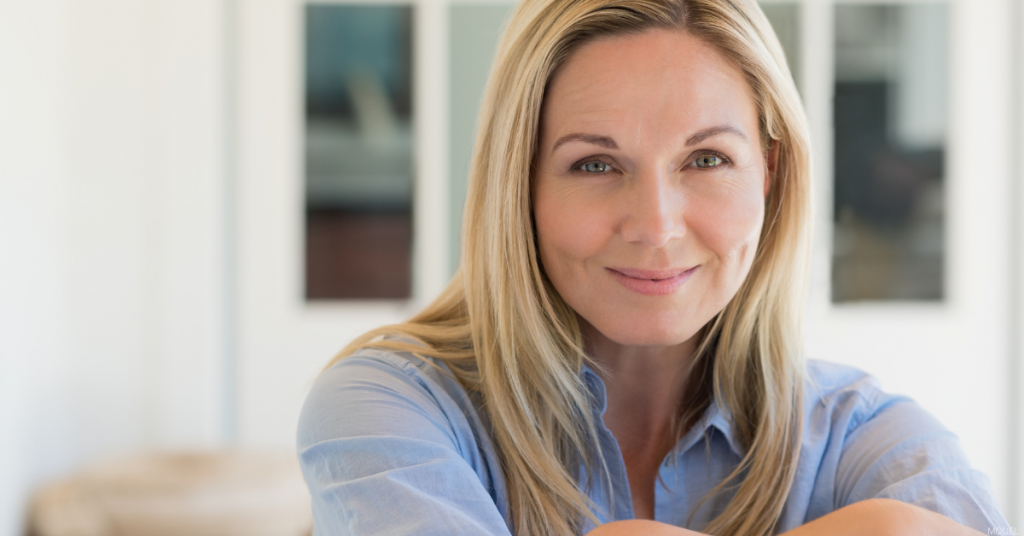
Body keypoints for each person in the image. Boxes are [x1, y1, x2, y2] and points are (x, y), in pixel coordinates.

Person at [297, 0, 1010, 534]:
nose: (657, 227)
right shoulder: (390, 406)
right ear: (521, 185)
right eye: (595, 163)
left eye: (706, 159)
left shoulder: (861, 434)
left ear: (769, 172)